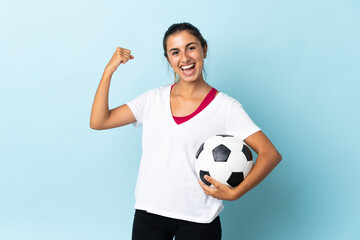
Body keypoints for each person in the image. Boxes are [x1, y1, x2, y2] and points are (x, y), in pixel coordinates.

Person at [90, 22, 282, 240]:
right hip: (149, 214)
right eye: (175, 52)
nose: (185, 58)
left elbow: (270, 154)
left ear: (204, 49)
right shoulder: (152, 100)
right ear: (168, 59)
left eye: (191, 48)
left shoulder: (226, 108)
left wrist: (236, 192)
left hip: (199, 219)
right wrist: (109, 71)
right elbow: (99, 121)